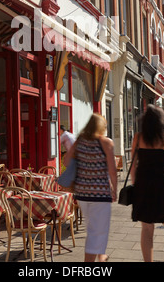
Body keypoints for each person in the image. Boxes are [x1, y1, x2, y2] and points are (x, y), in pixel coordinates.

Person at [131, 105, 164, 262]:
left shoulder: (138, 137)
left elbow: (133, 164)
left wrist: (135, 185)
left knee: (147, 228)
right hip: (162, 186)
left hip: (143, 185)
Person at [64, 113, 117, 263]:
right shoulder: (106, 143)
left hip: (82, 194)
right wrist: (114, 188)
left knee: (93, 229)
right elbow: (112, 170)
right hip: (100, 194)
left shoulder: (79, 142)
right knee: (97, 232)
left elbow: (67, 161)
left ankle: (102, 256)